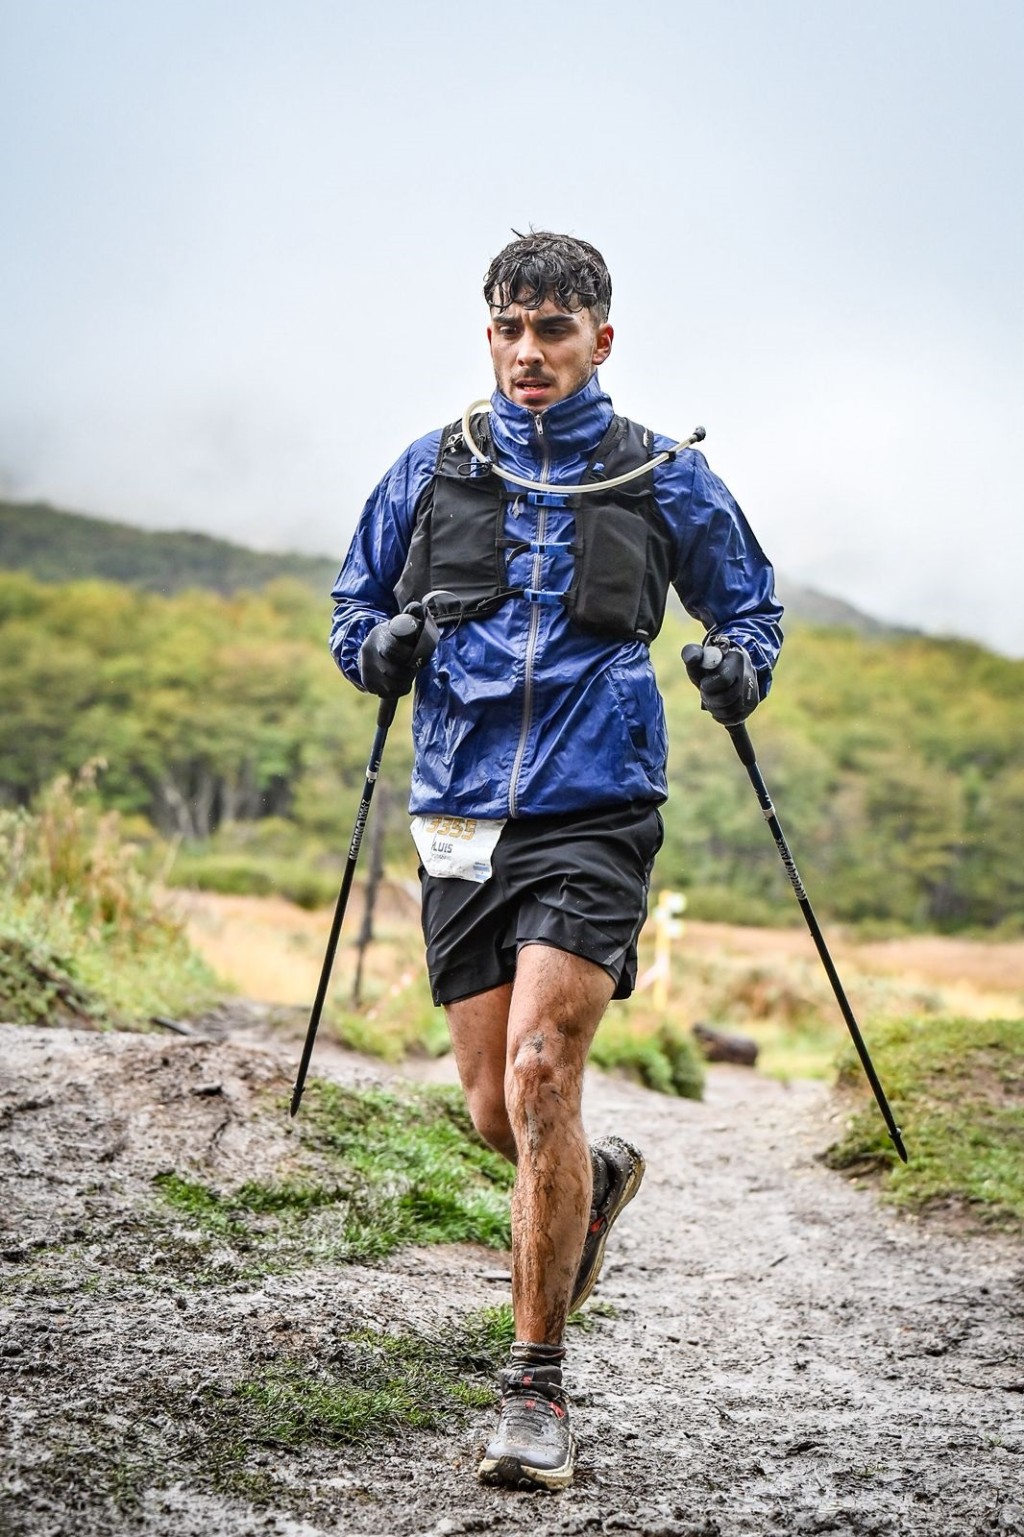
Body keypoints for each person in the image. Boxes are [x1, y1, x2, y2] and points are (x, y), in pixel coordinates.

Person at [329, 231, 783, 1491]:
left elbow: (747, 607)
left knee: (540, 1074)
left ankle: (533, 1393)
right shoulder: (430, 468)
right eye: (509, 330)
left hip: (596, 806)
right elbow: (351, 609)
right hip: (460, 808)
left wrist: (737, 663)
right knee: (493, 1107)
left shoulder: (659, 476)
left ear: (601, 340)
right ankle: (594, 1180)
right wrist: (378, 649)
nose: (529, 354)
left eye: (555, 332)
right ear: (489, 333)